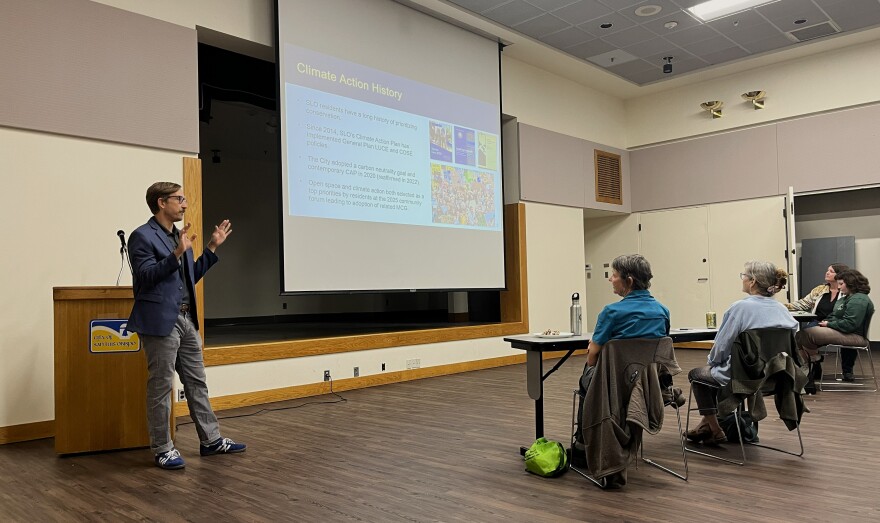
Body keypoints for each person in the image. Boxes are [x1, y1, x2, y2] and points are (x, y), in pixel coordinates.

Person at [127, 182, 246, 470]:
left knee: (196, 382)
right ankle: (163, 448)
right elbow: (145, 277)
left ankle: (211, 440)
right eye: (179, 199)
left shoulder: (176, 237)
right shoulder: (142, 236)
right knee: (161, 386)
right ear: (160, 202)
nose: (184, 204)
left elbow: (190, 276)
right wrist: (176, 254)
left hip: (185, 318)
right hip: (160, 322)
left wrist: (211, 247)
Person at [686, 261, 798, 445]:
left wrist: (714, 362)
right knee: (722, 371)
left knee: (698, 375)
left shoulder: (740, 308)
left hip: (744, 377)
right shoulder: (783, 310)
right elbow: (791, 345)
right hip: (777, 377)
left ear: (752, 281)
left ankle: (715, 429)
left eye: (743, 275)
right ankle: (706, 426)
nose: (742, 279)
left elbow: (721, 347)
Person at [574, 254, 670, 444]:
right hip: (649, 384)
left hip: (613, 384)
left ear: (629, 280)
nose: (611, 279)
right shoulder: (662, 311)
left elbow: (592, 358)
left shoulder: (611, 312)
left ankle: (583, 444)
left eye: (614, 275)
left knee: (586, 379)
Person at [795, 269, 874, 382]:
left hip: (854, 336)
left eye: (841, 284)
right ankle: (812, 364)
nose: (839, 287)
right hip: (844, 331)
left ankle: (812, 365)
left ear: (851, 284)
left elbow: (850, 324)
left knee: (807, 334)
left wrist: (829, 324)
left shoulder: (859, 299)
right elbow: (836, 316)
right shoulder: (848, 298)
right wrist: (825, 323)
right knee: (800, 335)